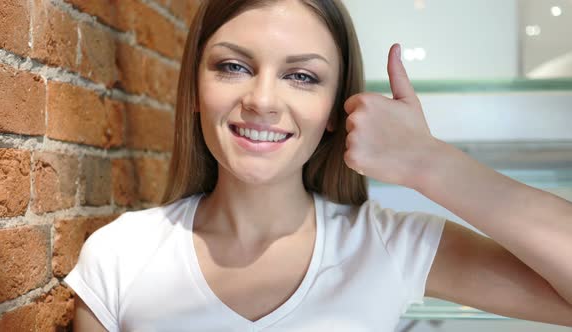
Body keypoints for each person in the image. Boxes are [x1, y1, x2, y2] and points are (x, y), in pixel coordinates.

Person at [64, 0, 572, 331]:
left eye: (302, 76)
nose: (262, 99)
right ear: (196, 91)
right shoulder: (120, 256)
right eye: (233, 66)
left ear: (335, 110)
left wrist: (430, 163)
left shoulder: (386, 245)